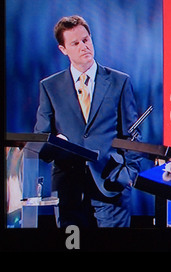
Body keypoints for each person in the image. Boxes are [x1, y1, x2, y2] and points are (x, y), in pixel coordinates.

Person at [34, 15, 142, 227]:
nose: (84, 46)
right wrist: (56, 143)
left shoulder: (119, 81)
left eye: (86, 40)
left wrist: (128, 174)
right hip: (68, 189)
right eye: (75, 43)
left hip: (110, 185)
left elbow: (132, 135)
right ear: (63, 49)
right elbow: (40, 139)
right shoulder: (50, 87)